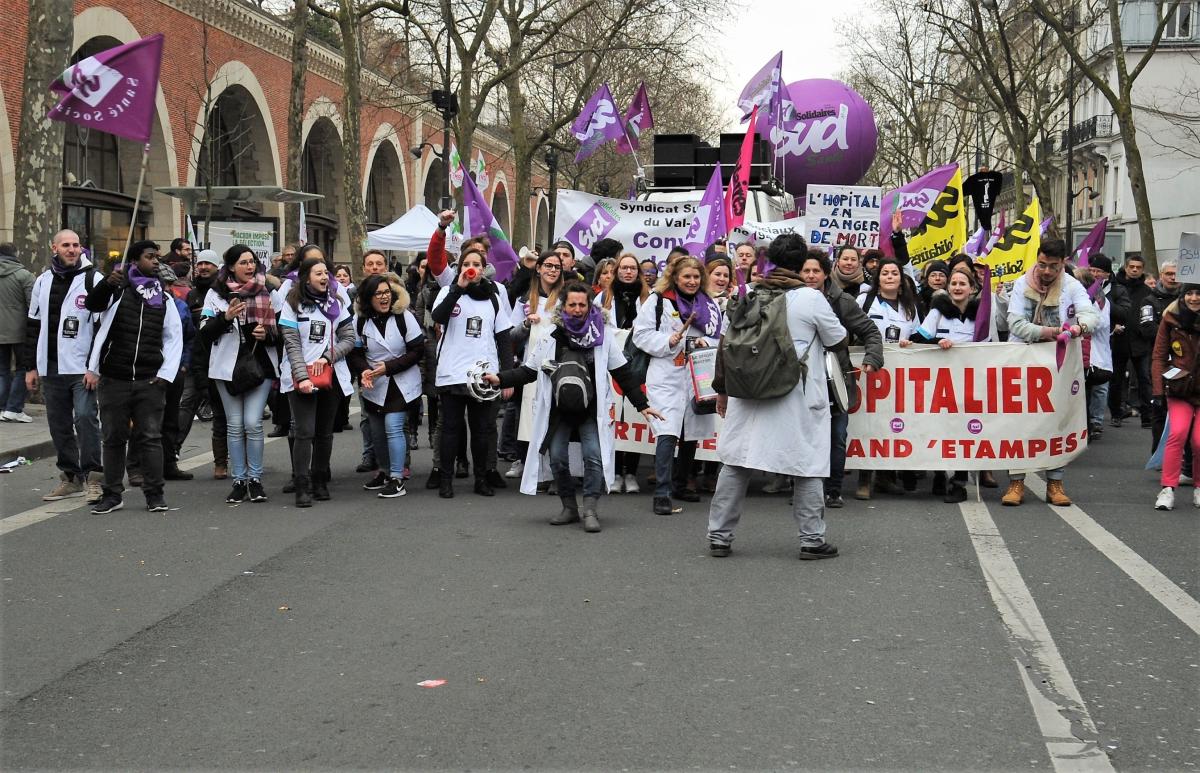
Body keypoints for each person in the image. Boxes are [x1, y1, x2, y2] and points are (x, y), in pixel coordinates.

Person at [706, 235, 847, 559]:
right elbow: (837, 338)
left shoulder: (749, 294)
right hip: (794, 394)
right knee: (807, 464)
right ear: (800, 264)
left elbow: (727, 344)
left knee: (736, 462)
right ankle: (811, 540)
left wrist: (723, 390)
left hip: (749, 394)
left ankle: (720, 536)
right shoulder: (810, 299)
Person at [486, 283, 663, 531]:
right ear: (564, 306)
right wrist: (500, 379)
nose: (578, 309)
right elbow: (529, 371)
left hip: (591, 410)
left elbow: (622, 373)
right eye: (573, 304)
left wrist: (642, 405)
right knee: (557, 457)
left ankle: (590, 509)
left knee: (593, 456)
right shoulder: (552, 335)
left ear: (590, 305)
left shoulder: (603, 336)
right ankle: (569, 506)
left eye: (582, 304)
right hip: (559, 410)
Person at [85, 241, 184, 514]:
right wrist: (107, 284)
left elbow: (174, 338)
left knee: (150, 438)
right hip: (114, 379)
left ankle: (155, 494)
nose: (156, 262)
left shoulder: (163, 298)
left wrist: (165, 376)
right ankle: (112, 494)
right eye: (150, 257)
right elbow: (93, 306)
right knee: (114, 438)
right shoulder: (117, 289)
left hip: (149, 380)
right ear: (135, 260)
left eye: (157, 257)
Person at [1001, 238, 1098, 506]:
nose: (1046, 271)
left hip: (1058, 364)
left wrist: (1079, 328)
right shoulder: (1023, 283)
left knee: (1057, 420)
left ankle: (1055, 483)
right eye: (1042, 264)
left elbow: (1090, 314)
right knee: (1019, 421)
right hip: (1023, 359)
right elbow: (1016, 324)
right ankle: (1016, 482)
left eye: (1053, 266)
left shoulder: (1071, 285)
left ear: (1063, 263)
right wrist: (1052, 332)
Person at [632, 255, 722, 515]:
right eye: (686, 277)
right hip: (667, 374)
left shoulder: (709, 305)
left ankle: (682, 483)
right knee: (667, 431)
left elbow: (719, 337)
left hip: (697, 375)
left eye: (696, 277)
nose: (692, 281)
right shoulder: (658, 301)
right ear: (675, 277)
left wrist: (706, 345)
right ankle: (662, 491)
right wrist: (669, 340)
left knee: (690, 432)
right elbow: (641, 335)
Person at [798, 247, 883, 509]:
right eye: (806, 271)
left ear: (825, 274)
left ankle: (833, 490)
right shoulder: (789, 300)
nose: (811, 275)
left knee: (837, 437)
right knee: (803, 437)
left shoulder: (842, 301)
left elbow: (871, 332)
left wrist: (872, 359)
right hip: (801, 381)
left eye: (816, 271)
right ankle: (804, 491)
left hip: (836, 381)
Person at [23, 230, 104, 502]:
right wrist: (31, 367)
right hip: (51, 366)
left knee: (84, 417)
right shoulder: (42, 281)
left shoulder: (94, 279)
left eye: (76, 245)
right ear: (54, 248)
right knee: (58, 424)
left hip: (82, 367)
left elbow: (104, 328)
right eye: (66, 245)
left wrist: (96, 367)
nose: (72, 249)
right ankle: (70, 477)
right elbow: (33, 327)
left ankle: (94, 476)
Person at [429, 243, 515, 498]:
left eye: (476, 265)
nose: (471, 268)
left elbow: (503, 340)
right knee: (451, 429)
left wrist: (507, 377)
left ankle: (481, 478)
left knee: (481, 430)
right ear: (460, 268)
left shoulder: (494, 297)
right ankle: (446, 479)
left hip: (483, 375)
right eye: (466, 264)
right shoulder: (448, 291)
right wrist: (458, 289)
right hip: (453, 373)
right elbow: (439, 316)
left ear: (484, 269)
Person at [200, 244, 280, 504]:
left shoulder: (268, 291)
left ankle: (255, 480)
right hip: (227, 367)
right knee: (234, 425)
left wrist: (266, 334)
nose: (249, 266)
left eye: (252, 261)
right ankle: (239, 480)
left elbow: (283, 332)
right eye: (243, 262)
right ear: (231, 267)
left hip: (261, 365)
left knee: (253, 422)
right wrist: (225, 317)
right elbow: (203, 333)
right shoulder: (215, 294)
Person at [279, 255, 357, 507]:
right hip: (299, 376)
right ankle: (301, 485)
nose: (324, 277)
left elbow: (348, 337)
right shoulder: (293, 304)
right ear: (306, 278)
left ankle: (319, 480)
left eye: (326, 273)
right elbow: (291, 344)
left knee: (324, 433)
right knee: (304, 432)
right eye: (318, 273)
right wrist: (302, 376)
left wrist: (327, 357)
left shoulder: (337, 302)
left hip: (330, 377)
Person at [914, 265, 989, 502]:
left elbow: (990, 346)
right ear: (948, 288)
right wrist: (938, 341)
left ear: (972, 288)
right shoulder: (938, 310)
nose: (957, 287)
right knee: (940, 428)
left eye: (962, 284)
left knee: (964, 431)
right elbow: (919, 338)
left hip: (969, 382)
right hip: (940, 382)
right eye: (953, 283)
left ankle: (959, 482)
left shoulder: (981, 313)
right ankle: (938, 473)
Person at [347, 273, 424, 499]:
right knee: (377, 432)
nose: (384, 298)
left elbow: (417, 351)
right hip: (374, 383)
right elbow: (355, 353)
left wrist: (389, 367)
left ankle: (398, 477)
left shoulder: (404, 317)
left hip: (401, 380)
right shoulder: (359, 320)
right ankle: (384, 471)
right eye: (378, 294)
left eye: (386, 293)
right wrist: (364, 371)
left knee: (393, 426)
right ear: (368, 298)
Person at [855, 258, 919, 498]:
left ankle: (886, 476)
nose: (890, 276)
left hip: (899, 372)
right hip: (869, 368)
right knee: (867, 422)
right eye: (885, 273)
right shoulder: (865, 301)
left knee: (893, 421)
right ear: (877, 277)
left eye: (894, 273)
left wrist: (910, 343)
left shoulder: (909, 307)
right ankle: (864, 478)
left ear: (901, 280)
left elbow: (918, 334)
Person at [503, 249, 565, 481]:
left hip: (558, 364)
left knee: (555, 416)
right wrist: (527, 325)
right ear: (538, 269)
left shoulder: (566, 298)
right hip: (530, 366)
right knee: (527, 414)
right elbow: (511, 335)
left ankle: (553, 468)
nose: (551, 270)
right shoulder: (524, 299)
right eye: (547, 265)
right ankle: (527, 461)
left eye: (556, 267)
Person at [176, 249, 230, 478]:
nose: (204, 268)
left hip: (222, 361)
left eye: (209, 263)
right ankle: (172, 453)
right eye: (201, 264)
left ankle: (222, 462)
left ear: (218, 267)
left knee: (222, 413)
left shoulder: (224, 293)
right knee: (185, 405)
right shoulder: (192, 295)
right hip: (196, 361)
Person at [1151, 284, 1200, 510]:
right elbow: (1159, 356)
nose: (1194, 298)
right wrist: (1158, 391)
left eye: (1199, 294)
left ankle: (1199, 486)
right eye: (1189, 293)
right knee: (1177, 434)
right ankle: (1167, 489)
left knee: (1199, 441)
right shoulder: (1170, 319)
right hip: (1180, 388)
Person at [605, 252, 651, 493]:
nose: (628, 272)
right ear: (616, 271)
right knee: (613, 416)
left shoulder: (649, 299)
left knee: (634, 415)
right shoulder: (604, 297)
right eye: (623, 268)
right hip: (611, 363)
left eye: (633, 268)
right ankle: (613, 472)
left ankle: (631, 473)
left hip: (638, 363)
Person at [1081, 255, 1130, 439]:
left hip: (1104, 343)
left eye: (1098, 271)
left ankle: (1096, 421)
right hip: (1083, 346)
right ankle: (1084, 421)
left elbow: (1123, 313)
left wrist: (1103, 302)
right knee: (1083, 385)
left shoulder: (1114, 291)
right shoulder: (1081, 289)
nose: (1094, 274)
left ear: (1107, 274)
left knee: (1100, 386)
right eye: (1091, 270)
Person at [1111, 254, 1154, 428]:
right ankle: (1116, 413)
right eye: (1132, 267)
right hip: (1119, 340)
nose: (1135, 270)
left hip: (1140, 342)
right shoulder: (1116, 288)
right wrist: (1114, 326)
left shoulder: (1147, 291)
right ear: (1126, 268)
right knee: (1116, 379)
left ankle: (1147, 416)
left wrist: (1146, 332)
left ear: (1142, 269)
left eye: (1138, 267)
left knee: (1144, 379)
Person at [1146, 261, 1181, 448]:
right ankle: (1158, 451)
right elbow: (1147, 328)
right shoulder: (1150, 300)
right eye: (1169, 273)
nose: (1173, 277)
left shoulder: (1188, 301)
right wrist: (1170, 333)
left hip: (1183, 362)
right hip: (1159, 358)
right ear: (1161, 274)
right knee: (1159, 407)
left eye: (1176, 274)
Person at [0, 243, 34, 423]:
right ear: (16, 254)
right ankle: (14, 408)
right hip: (21, 331)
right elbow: (33, 305)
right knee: (23, 368)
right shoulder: (24, 275)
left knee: (2, 371)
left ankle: (2, 408)